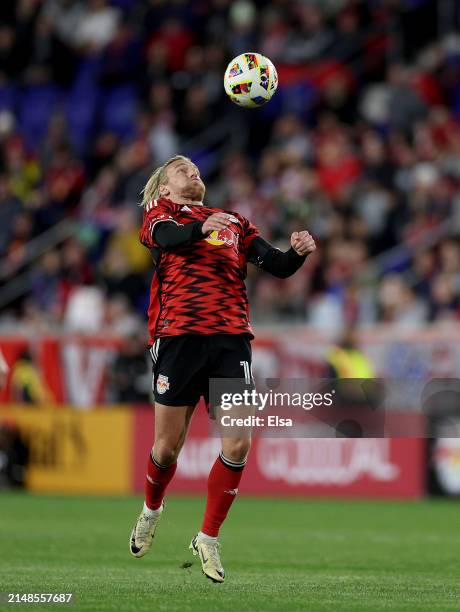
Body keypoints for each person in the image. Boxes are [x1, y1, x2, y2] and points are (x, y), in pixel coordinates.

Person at [129, 155, 316, 582]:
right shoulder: (160, 215)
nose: (192, 171)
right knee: (167, 448)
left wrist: (298, 254)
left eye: (195, 167)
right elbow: (170, 238)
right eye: (181, 169)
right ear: (164, 187)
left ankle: (208, 538)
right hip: (178, 338)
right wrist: (200, 227)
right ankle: (151, 509)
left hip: (231, 340)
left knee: (237, 444)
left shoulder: (234, 221)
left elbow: (277, 264)